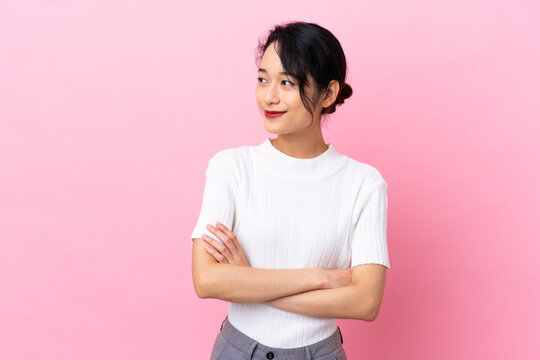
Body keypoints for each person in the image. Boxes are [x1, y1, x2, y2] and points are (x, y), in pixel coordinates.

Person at [191, 21, 390, 360]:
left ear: (327, 93)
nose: (269, 96)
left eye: (286, 82)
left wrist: (248, 282)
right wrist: (320, 278)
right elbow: (207, 280)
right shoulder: (232, 168)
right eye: (262, 79)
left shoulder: (364, 183)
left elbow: (366, 302)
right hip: (238, 351)